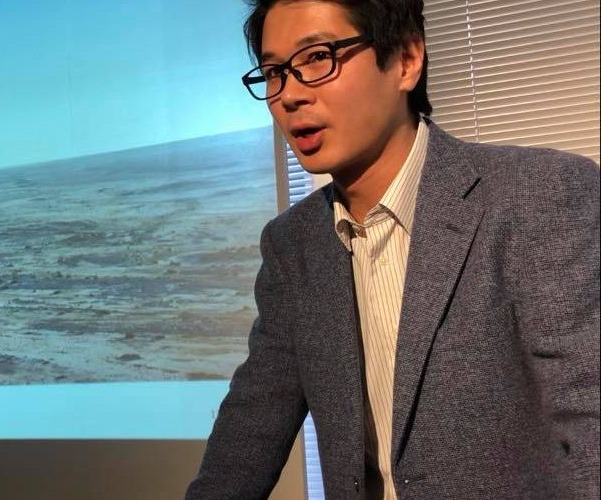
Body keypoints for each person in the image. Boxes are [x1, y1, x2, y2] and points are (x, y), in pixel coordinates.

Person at [186, 0, 600, 498]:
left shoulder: (537, 195)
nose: (290, 94)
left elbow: (589, 420)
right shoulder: (292, 245)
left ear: (406, 59)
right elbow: (250, 426)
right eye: (275, 72)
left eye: (317, 58)